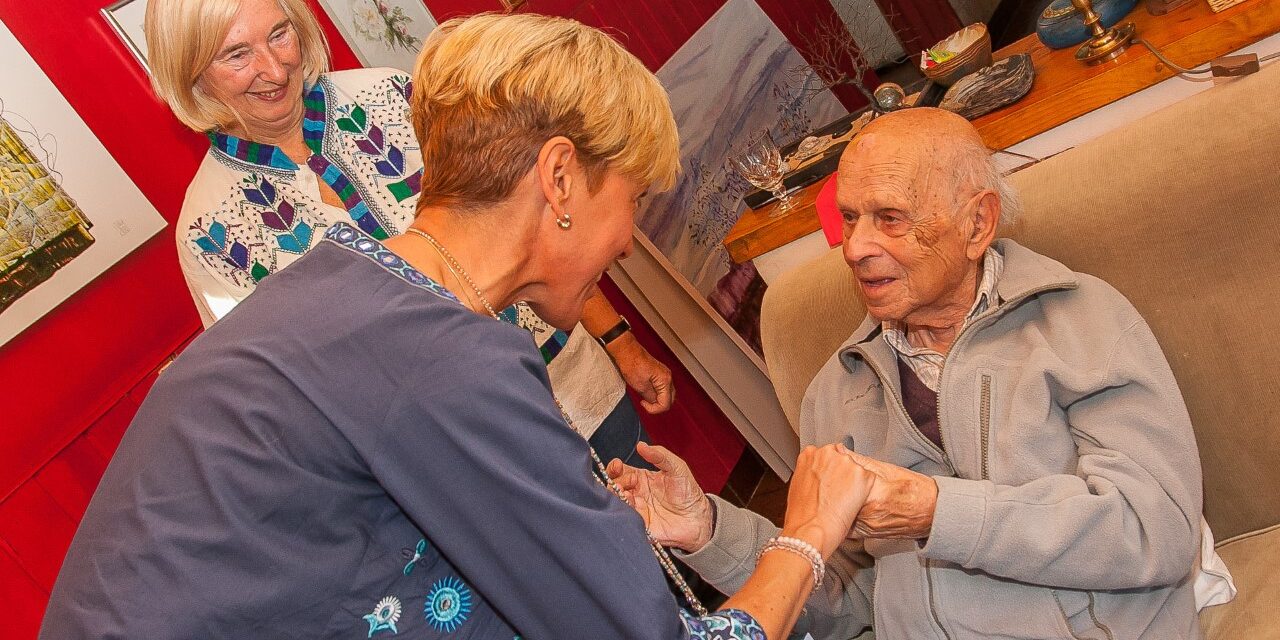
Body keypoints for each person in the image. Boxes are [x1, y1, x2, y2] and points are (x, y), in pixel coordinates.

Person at [39, 13, 880, 639]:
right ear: (558, 179)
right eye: (630, 199)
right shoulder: (443, 360)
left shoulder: (361, 291)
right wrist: (809, 532)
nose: (627, 241)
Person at [611, 108, 1209, 639]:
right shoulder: (835, 394)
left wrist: (936, 510)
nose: (854, 248)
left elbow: (1152, 530)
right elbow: (847, 599)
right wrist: (710, 531)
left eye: (891, 218)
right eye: (850, 218)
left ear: (977, 224)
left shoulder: (1079, 324)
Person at [150, 0, 671, 468]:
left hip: (584, 392)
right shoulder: (208, 231)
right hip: (478, 458)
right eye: (237, 54)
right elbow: (295, 396)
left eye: (279, 33)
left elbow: (544, 216)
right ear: (192, 73)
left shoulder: (391, 94)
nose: (273, 67)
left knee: (667, 532)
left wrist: (619, 340)